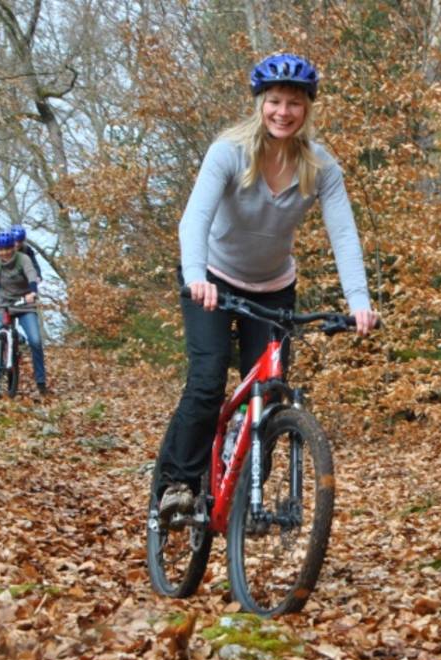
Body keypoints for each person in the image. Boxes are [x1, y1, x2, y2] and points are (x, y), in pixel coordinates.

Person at [154, 52, 378, 518]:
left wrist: (359, 301)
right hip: (213, 279)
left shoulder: (320, 166)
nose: (283, 112)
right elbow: (195, 218)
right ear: (260, 103)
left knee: (270, 392)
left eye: (294, 103)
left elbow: (343, 234)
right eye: (275, 101)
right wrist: (195, 276)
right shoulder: (229, 152)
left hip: (273, 287)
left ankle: (244, 489)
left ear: (307, 108)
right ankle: (177, 483)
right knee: (207, 381)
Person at [0, 229, 49, 396]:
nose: (4, 253)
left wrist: (33, 292)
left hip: (24, 303)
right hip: (4, 304)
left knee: (35, 341)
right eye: (1, 250)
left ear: (13, 247)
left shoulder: (23, 259)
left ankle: (41, 382)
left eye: (7, 249)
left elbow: (32, 275)